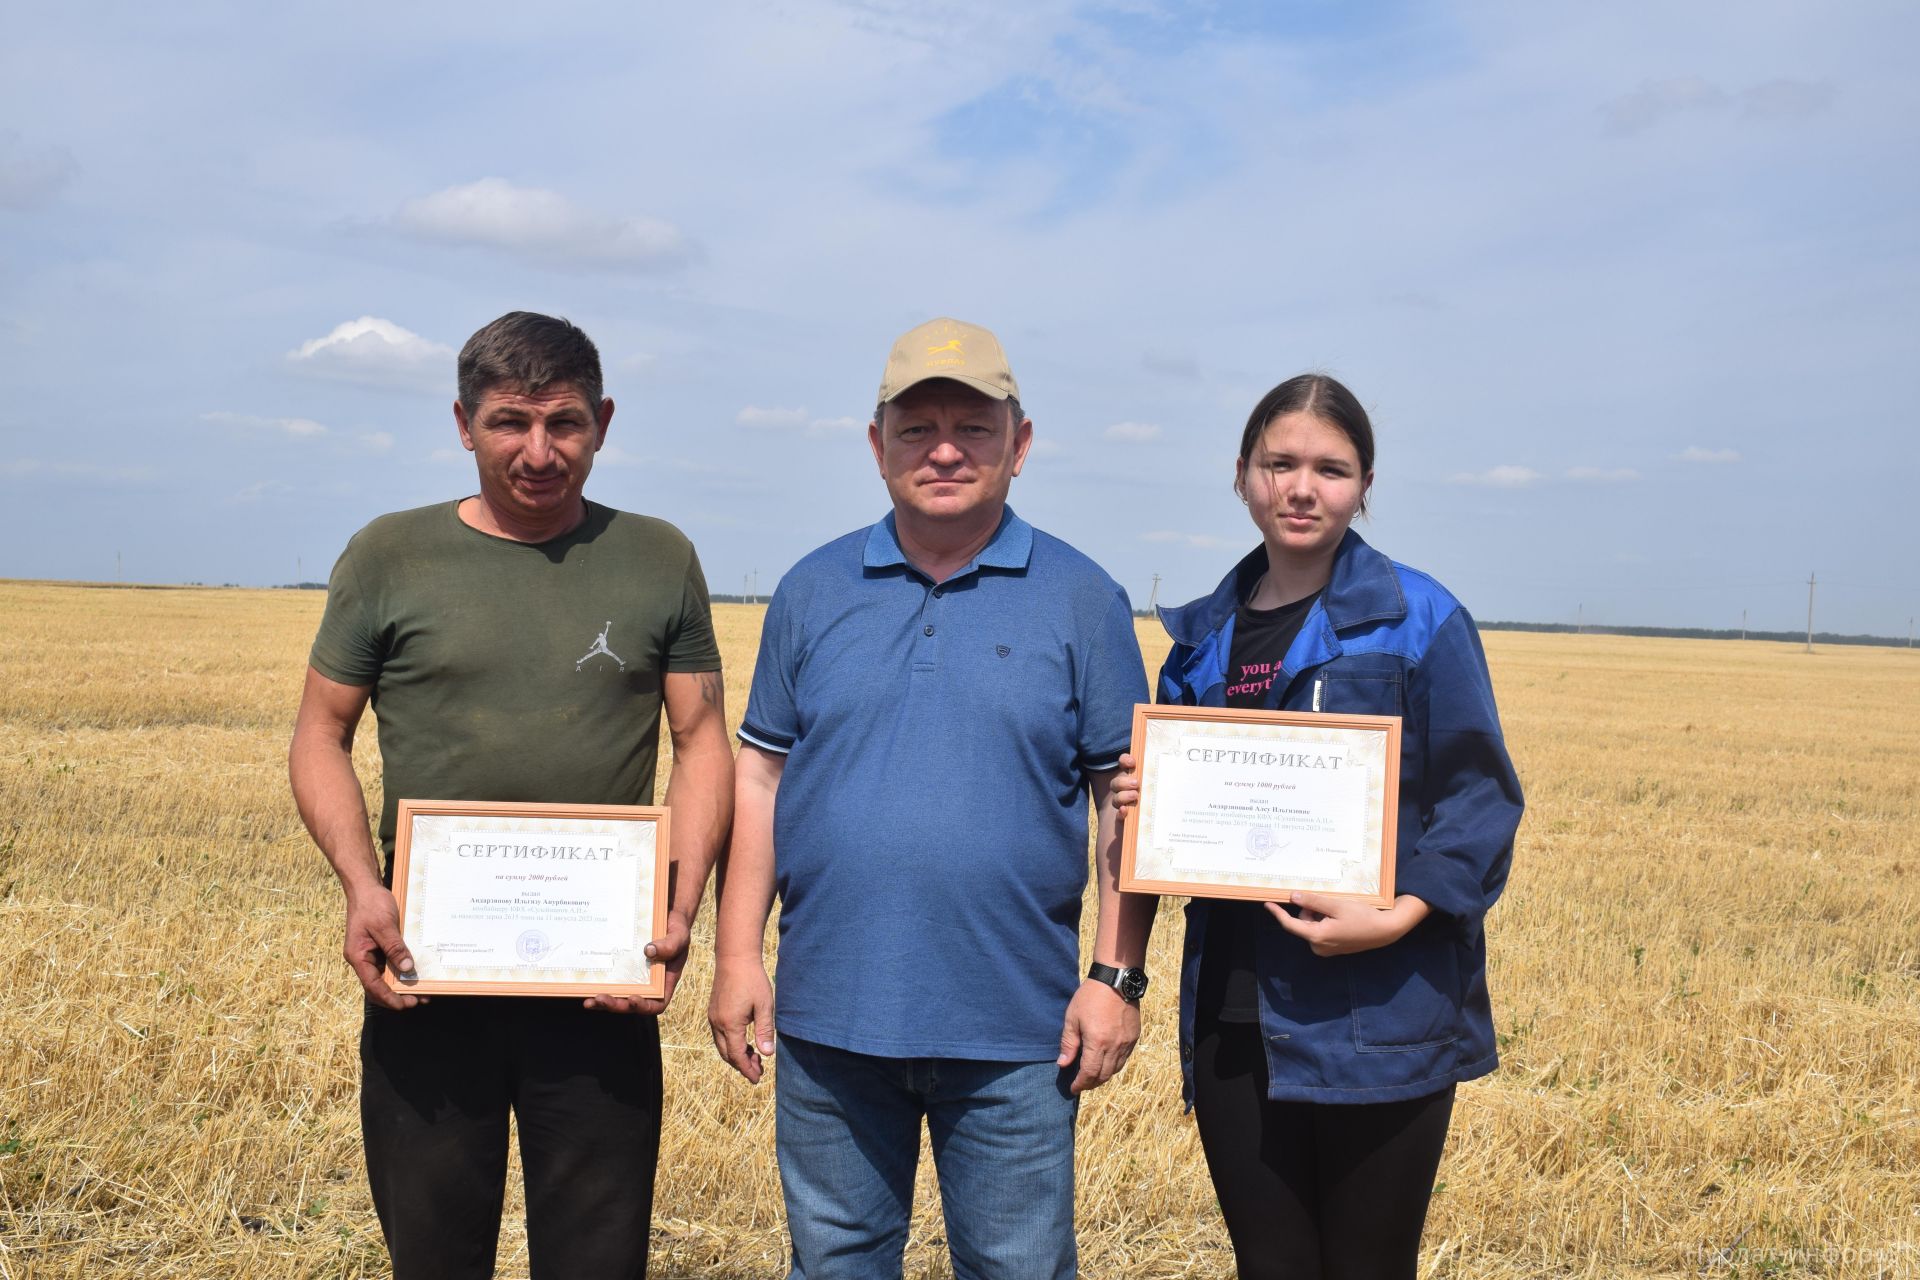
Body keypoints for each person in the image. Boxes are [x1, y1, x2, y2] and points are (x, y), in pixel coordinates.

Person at [287, 311, 734, 1280]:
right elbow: (320, 733)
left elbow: (702, 741)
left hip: (601, 980)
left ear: (604, 421)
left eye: (565, 423)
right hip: (428, 970)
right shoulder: (389, 555)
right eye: (509, 423)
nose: (539, 452)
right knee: (436, 1253)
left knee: (596, 1257)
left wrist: (678, 906)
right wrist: (363, 886)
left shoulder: (660, 557)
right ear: (462, 422)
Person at [707, 317, 1153, 1280]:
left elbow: (1126, 801)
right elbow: (761, 776)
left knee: (1019, 1267)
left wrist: (1114, 979)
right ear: (876, 447)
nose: (943, 450)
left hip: (1020, 1029)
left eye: (973, 427)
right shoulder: (811, 589)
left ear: (1021, 443)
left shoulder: (1084, 598)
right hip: (831, 1019)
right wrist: (738, 953)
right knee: (835, 1263)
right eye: (915, 429)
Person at [1112, 373, 1523, 1280]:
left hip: (1381, 1015)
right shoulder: (1198, 641)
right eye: (1280, 463)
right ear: (1242, 477)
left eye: (1331, 469)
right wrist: (1150, 807)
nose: (1303, 488)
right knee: (1270, 1265)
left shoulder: (1420, 618)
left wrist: (1404, 909)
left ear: (1365, 485)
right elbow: (1167, 823)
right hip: (1235, 1016)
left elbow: (1480, 799)